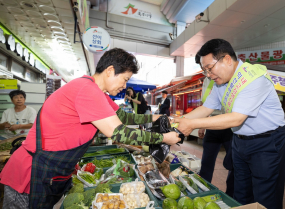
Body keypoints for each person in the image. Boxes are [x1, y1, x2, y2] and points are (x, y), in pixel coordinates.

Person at [0, 48, 180, 209]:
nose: (125, 86)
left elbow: (124, 117)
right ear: (110, 71)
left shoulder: (95, 92)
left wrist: (160, 117)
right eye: (125, 79)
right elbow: (117, 131)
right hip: (30, 175)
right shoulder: (87, 90)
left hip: (49, 170)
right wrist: (164, 139)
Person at [173, 39, 285, 209]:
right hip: (240, 141)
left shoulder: (253, 78)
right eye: (205, 71)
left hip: (268, 142)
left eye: (209, 69)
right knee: (240, 192)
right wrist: (180, 121)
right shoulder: (220, 82)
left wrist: (192, 125)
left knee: (265, 196)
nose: (208, 75)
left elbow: (236, 118)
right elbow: (206, 108)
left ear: (227, 59)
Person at [198, 77, 234, 197]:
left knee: (232, 164)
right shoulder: (207, 80)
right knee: (207, 162)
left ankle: (230, 196)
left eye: (208, 67)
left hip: (230, 125)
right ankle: (202, 192)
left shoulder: (231, 75)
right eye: (203, 68)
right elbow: (205, 104)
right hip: (212, 124)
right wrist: (201, 125)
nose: (207, 72)